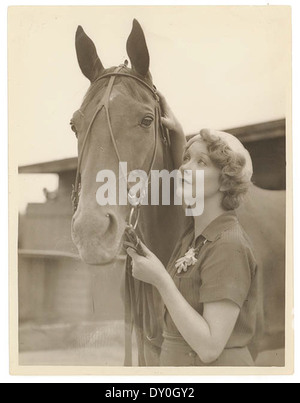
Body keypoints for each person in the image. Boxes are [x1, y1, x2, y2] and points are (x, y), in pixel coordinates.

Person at [126, 93, 259, 366]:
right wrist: (177, 135)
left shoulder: (228, 245)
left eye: (201, 163)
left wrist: (160, 279)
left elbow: (210, 347)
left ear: (225, 181)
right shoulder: (194, 236)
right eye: (186, 160)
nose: (184, 167)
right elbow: (180, 176)